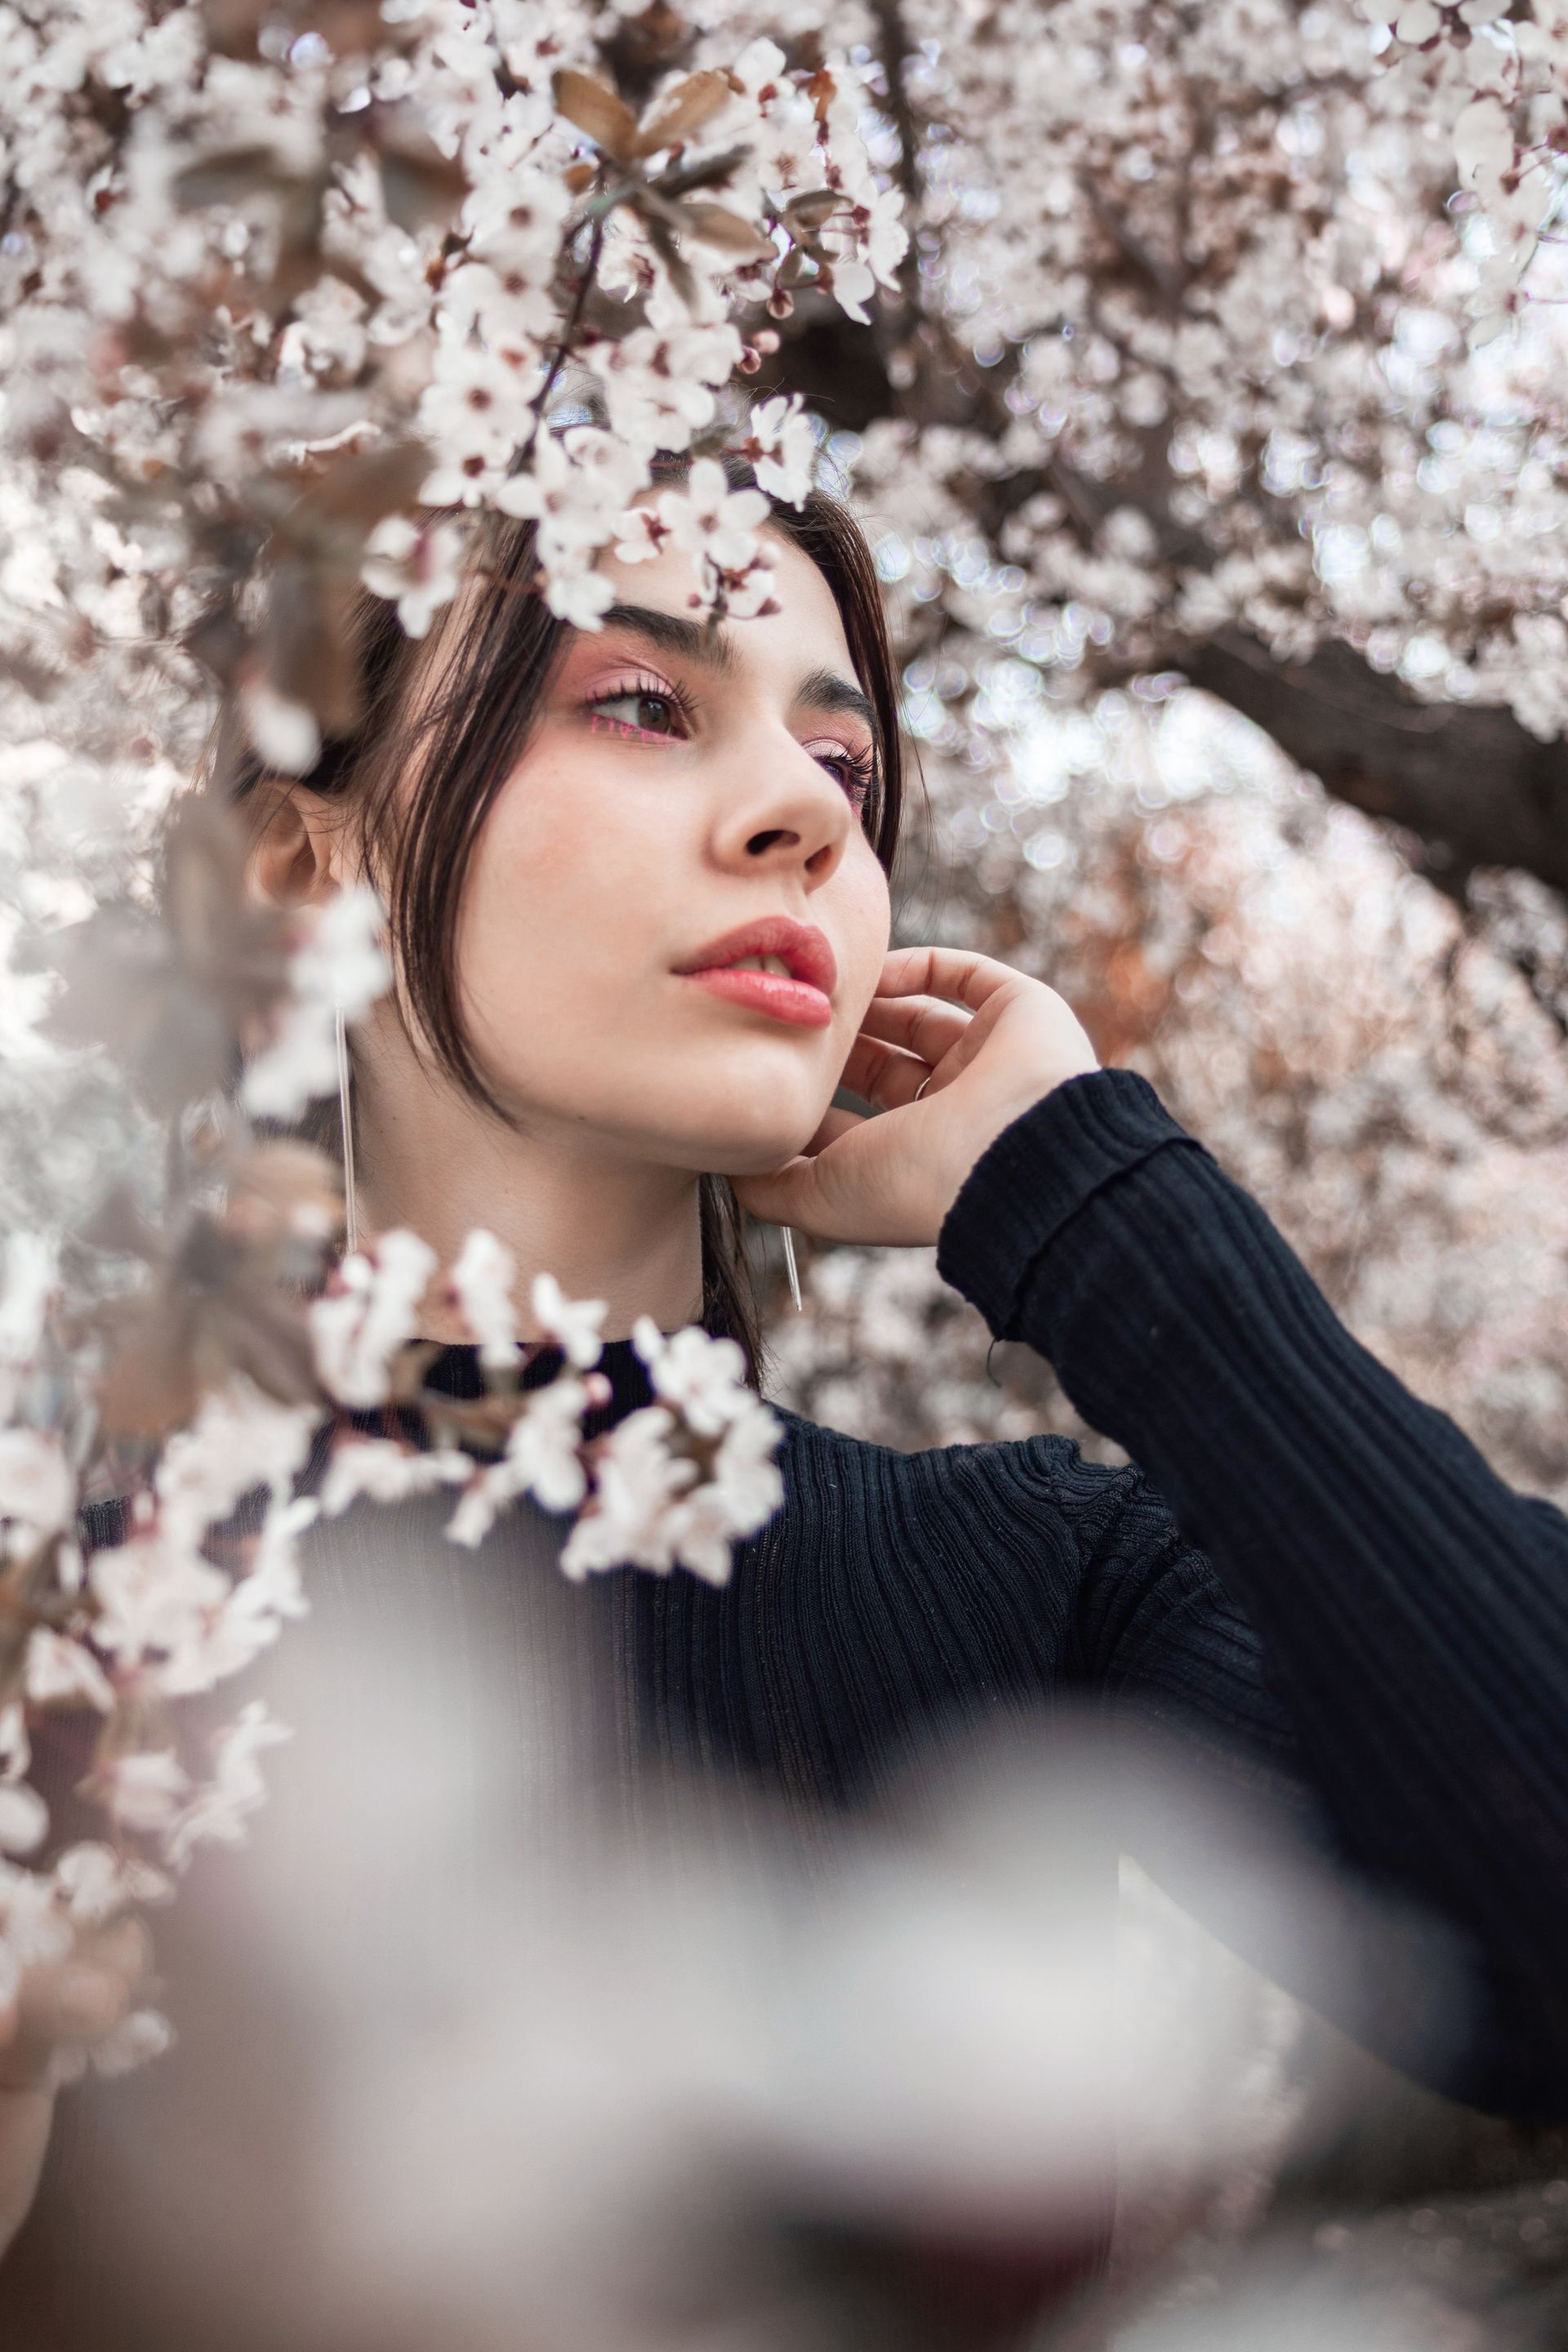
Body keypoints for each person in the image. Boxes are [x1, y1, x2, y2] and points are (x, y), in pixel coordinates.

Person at [6, 456, 1568, 2332]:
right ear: (299, 866)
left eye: (847, 771)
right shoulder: (67, 1619)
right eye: (646, 704)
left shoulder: (1052, 1582)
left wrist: (1082, 1197)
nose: (796, 820)